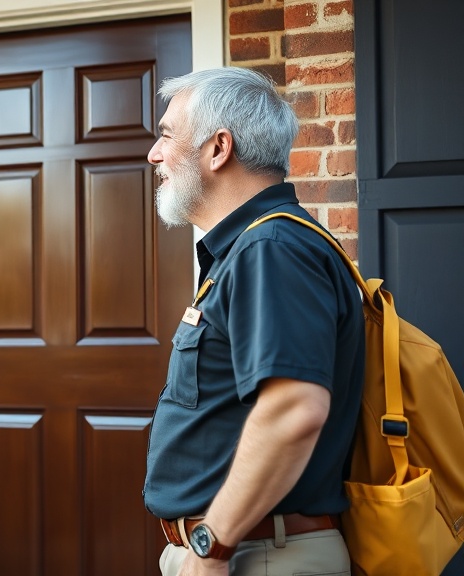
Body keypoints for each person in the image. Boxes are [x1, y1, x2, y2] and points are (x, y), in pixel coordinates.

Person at [143, 67, 365, 576]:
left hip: (255, 555)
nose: (155, 154)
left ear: (218, 148)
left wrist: (211, 546)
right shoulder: (255, 248)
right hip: (248, 550)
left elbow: (294, 410)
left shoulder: (271, 249)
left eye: (167, 135)